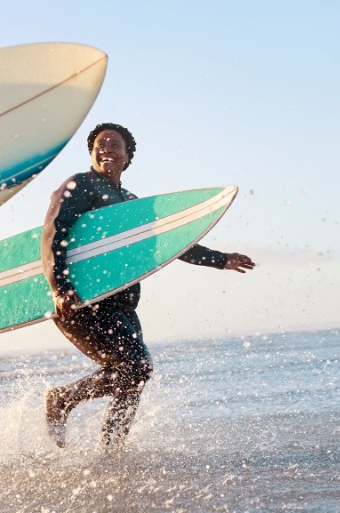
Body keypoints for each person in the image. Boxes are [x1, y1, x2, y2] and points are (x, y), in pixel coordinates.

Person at [42, 122, 256, 448]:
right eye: (100, 144)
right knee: (137, 367)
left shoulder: (131, 202)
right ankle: (62, 400)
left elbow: (170, 243)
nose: (107, 149)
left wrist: (220, 259)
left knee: (131, 378)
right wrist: (59, 286)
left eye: (115, 145)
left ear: (128, 157)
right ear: (91, 153)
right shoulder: (79, 185)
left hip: (122, 305)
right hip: (83, 300)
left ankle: (112, 449)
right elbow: (53, 233)